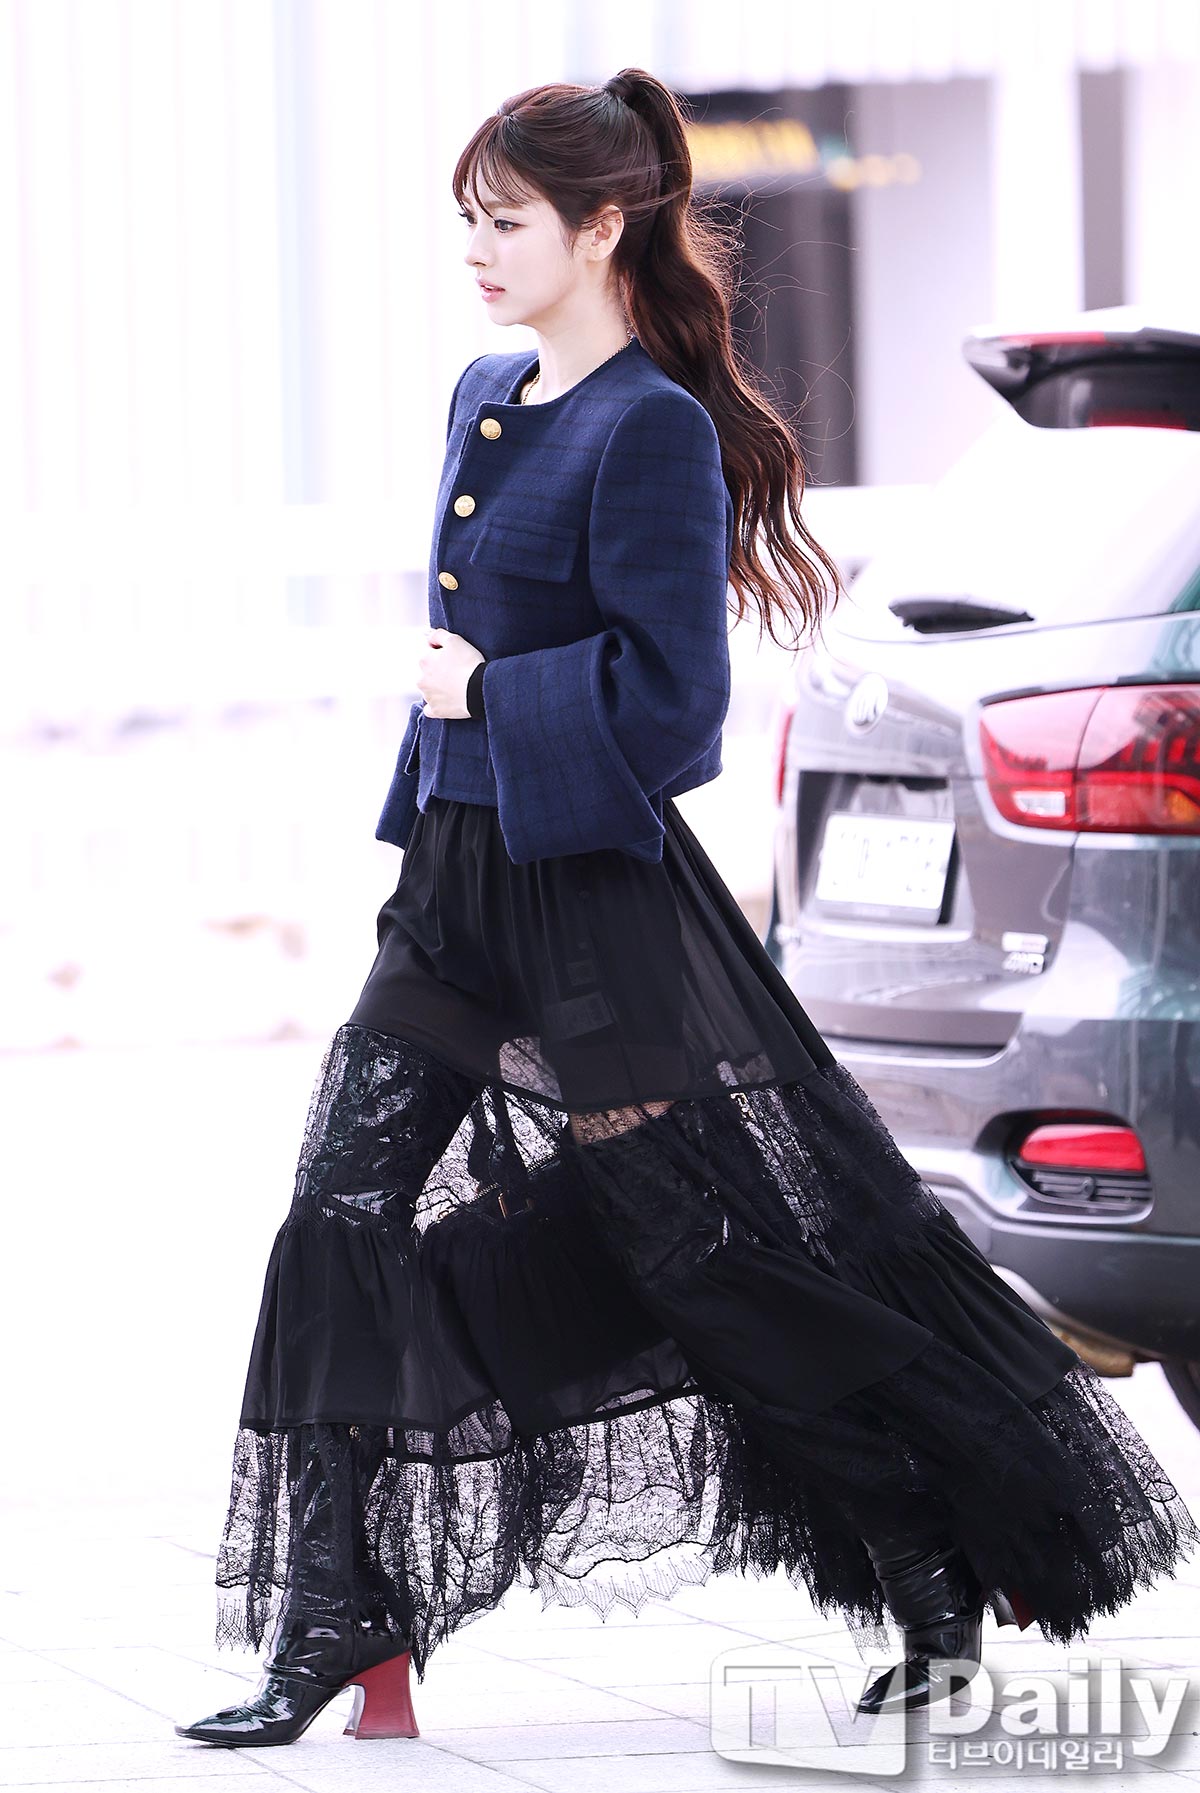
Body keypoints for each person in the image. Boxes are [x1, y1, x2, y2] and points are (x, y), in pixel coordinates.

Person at [176, 68, 1199, 1749]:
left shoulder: (648, 425)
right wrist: (454, 750)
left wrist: (487, 690)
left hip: (594, 906)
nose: (477, 250)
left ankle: (926, 1552)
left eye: (507, 222)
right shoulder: (485, 393)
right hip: (456, 886)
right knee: (339, 1208)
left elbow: (674, 712)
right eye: (466, 221)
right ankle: (337, 1607)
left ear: (600, 229)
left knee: (701, 1256)